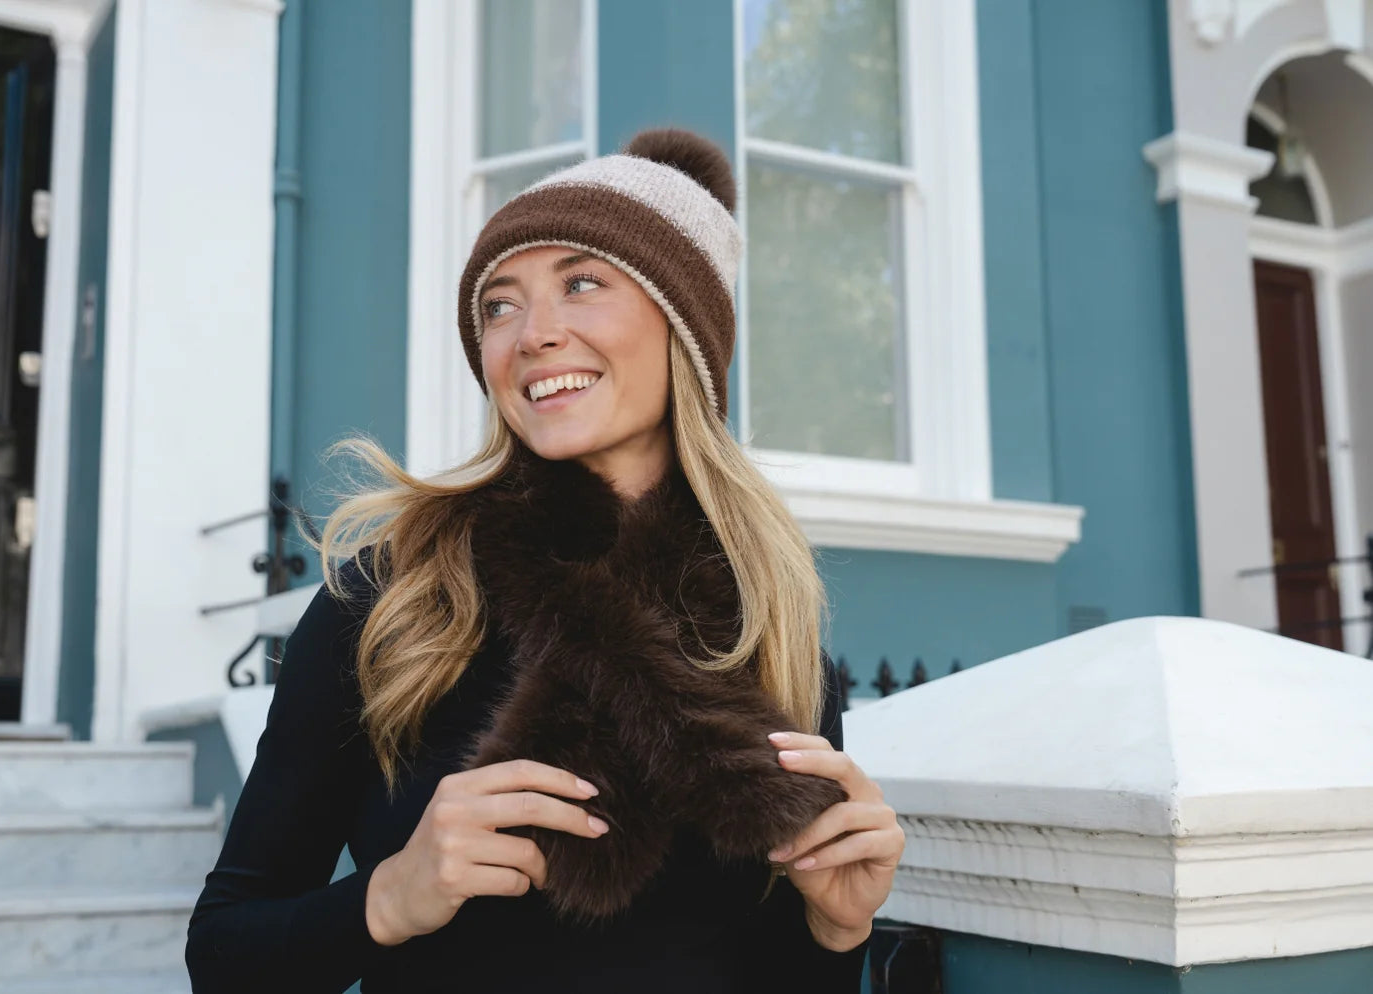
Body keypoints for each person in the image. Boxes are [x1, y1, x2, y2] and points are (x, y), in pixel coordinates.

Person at [185, 128, 904, 993]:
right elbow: (223, 956)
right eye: (499, 305)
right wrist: (390, 897)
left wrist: (835, 930)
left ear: (682, 324)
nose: (532, 334)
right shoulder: (396, 599)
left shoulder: (766, 630)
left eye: (582, 283)